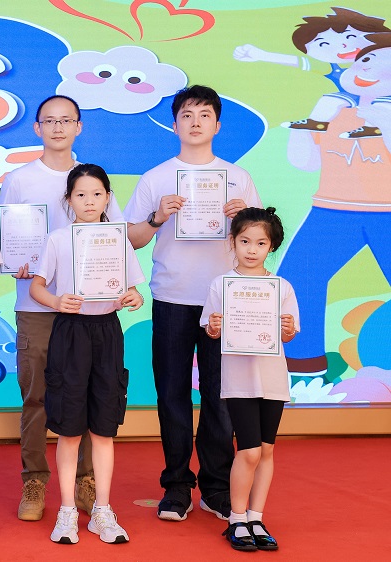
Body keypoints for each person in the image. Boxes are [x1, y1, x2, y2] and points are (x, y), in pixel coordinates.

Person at [124, 85, 262, 522]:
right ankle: (177, 486)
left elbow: (261, 241)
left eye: (205, 115)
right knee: (172, 394)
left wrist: (243, 218)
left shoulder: (238, 178)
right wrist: (157, 217)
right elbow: (131, 239)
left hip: (224, 301)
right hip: (172, 297)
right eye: (187, 114)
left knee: (221, 397)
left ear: (217, 125)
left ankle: (216, 488)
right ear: (175, 124)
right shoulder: (157, 177)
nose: (196, 122)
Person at [0, 94, 125, 520]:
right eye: (49, 120)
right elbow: (4, 237)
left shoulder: (92, 178)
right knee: (36, 396)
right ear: (37, 127)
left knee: (87, 394)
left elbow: (115, 240)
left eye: (66, 120)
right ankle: (34, 481)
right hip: (35, 307)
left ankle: (86, 481)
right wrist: (12, 262)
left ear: (79, 126)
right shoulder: (19, 180)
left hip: (89, 312)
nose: (58, 127)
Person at [29, 164, 144, 545]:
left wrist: (134, 297)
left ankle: (102, 511)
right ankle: (66, 512)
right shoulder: (58, 239)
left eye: (96, 194)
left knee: (104, 429)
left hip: (107, 332)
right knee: (69, 429)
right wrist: (57, 301)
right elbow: (37, 287)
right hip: (71, 333)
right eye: (80, 195)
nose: (89, 201)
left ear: (108, 198)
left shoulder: (118, 240)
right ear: (69, 200)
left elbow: (134, 290)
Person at [278, 34, 391, 377]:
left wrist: (384, 119)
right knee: (298, 278)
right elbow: (305, 163)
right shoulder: (335, 111)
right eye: (365, 60)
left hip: (387, 213)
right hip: (332, 210)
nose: (370, 68)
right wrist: (307, 126)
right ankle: (303, 364)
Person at [200, 207, 299, 551]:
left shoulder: (281, 287)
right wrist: (214, 326)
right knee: (249, 451)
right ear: (233, 242)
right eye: (245, 241)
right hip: (239, 380)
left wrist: (287, 329)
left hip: (273, 379)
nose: (252, 249)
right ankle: (237, 519)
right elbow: (211, 330)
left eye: (260, 243)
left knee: (267, 449)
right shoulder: (221, 285)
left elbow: (288, 335)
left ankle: (256, 517)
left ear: (271, 246)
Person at [234, 7, 389, 139]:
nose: (342, 45)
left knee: (382, 106)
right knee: (329, 100)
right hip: (354, 96)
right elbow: (297, 61)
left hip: (386, 96)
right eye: (324, 44)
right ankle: (317, 122)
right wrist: (262, 55)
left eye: (350, 36)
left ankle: (374, 128)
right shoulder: (333, 67)